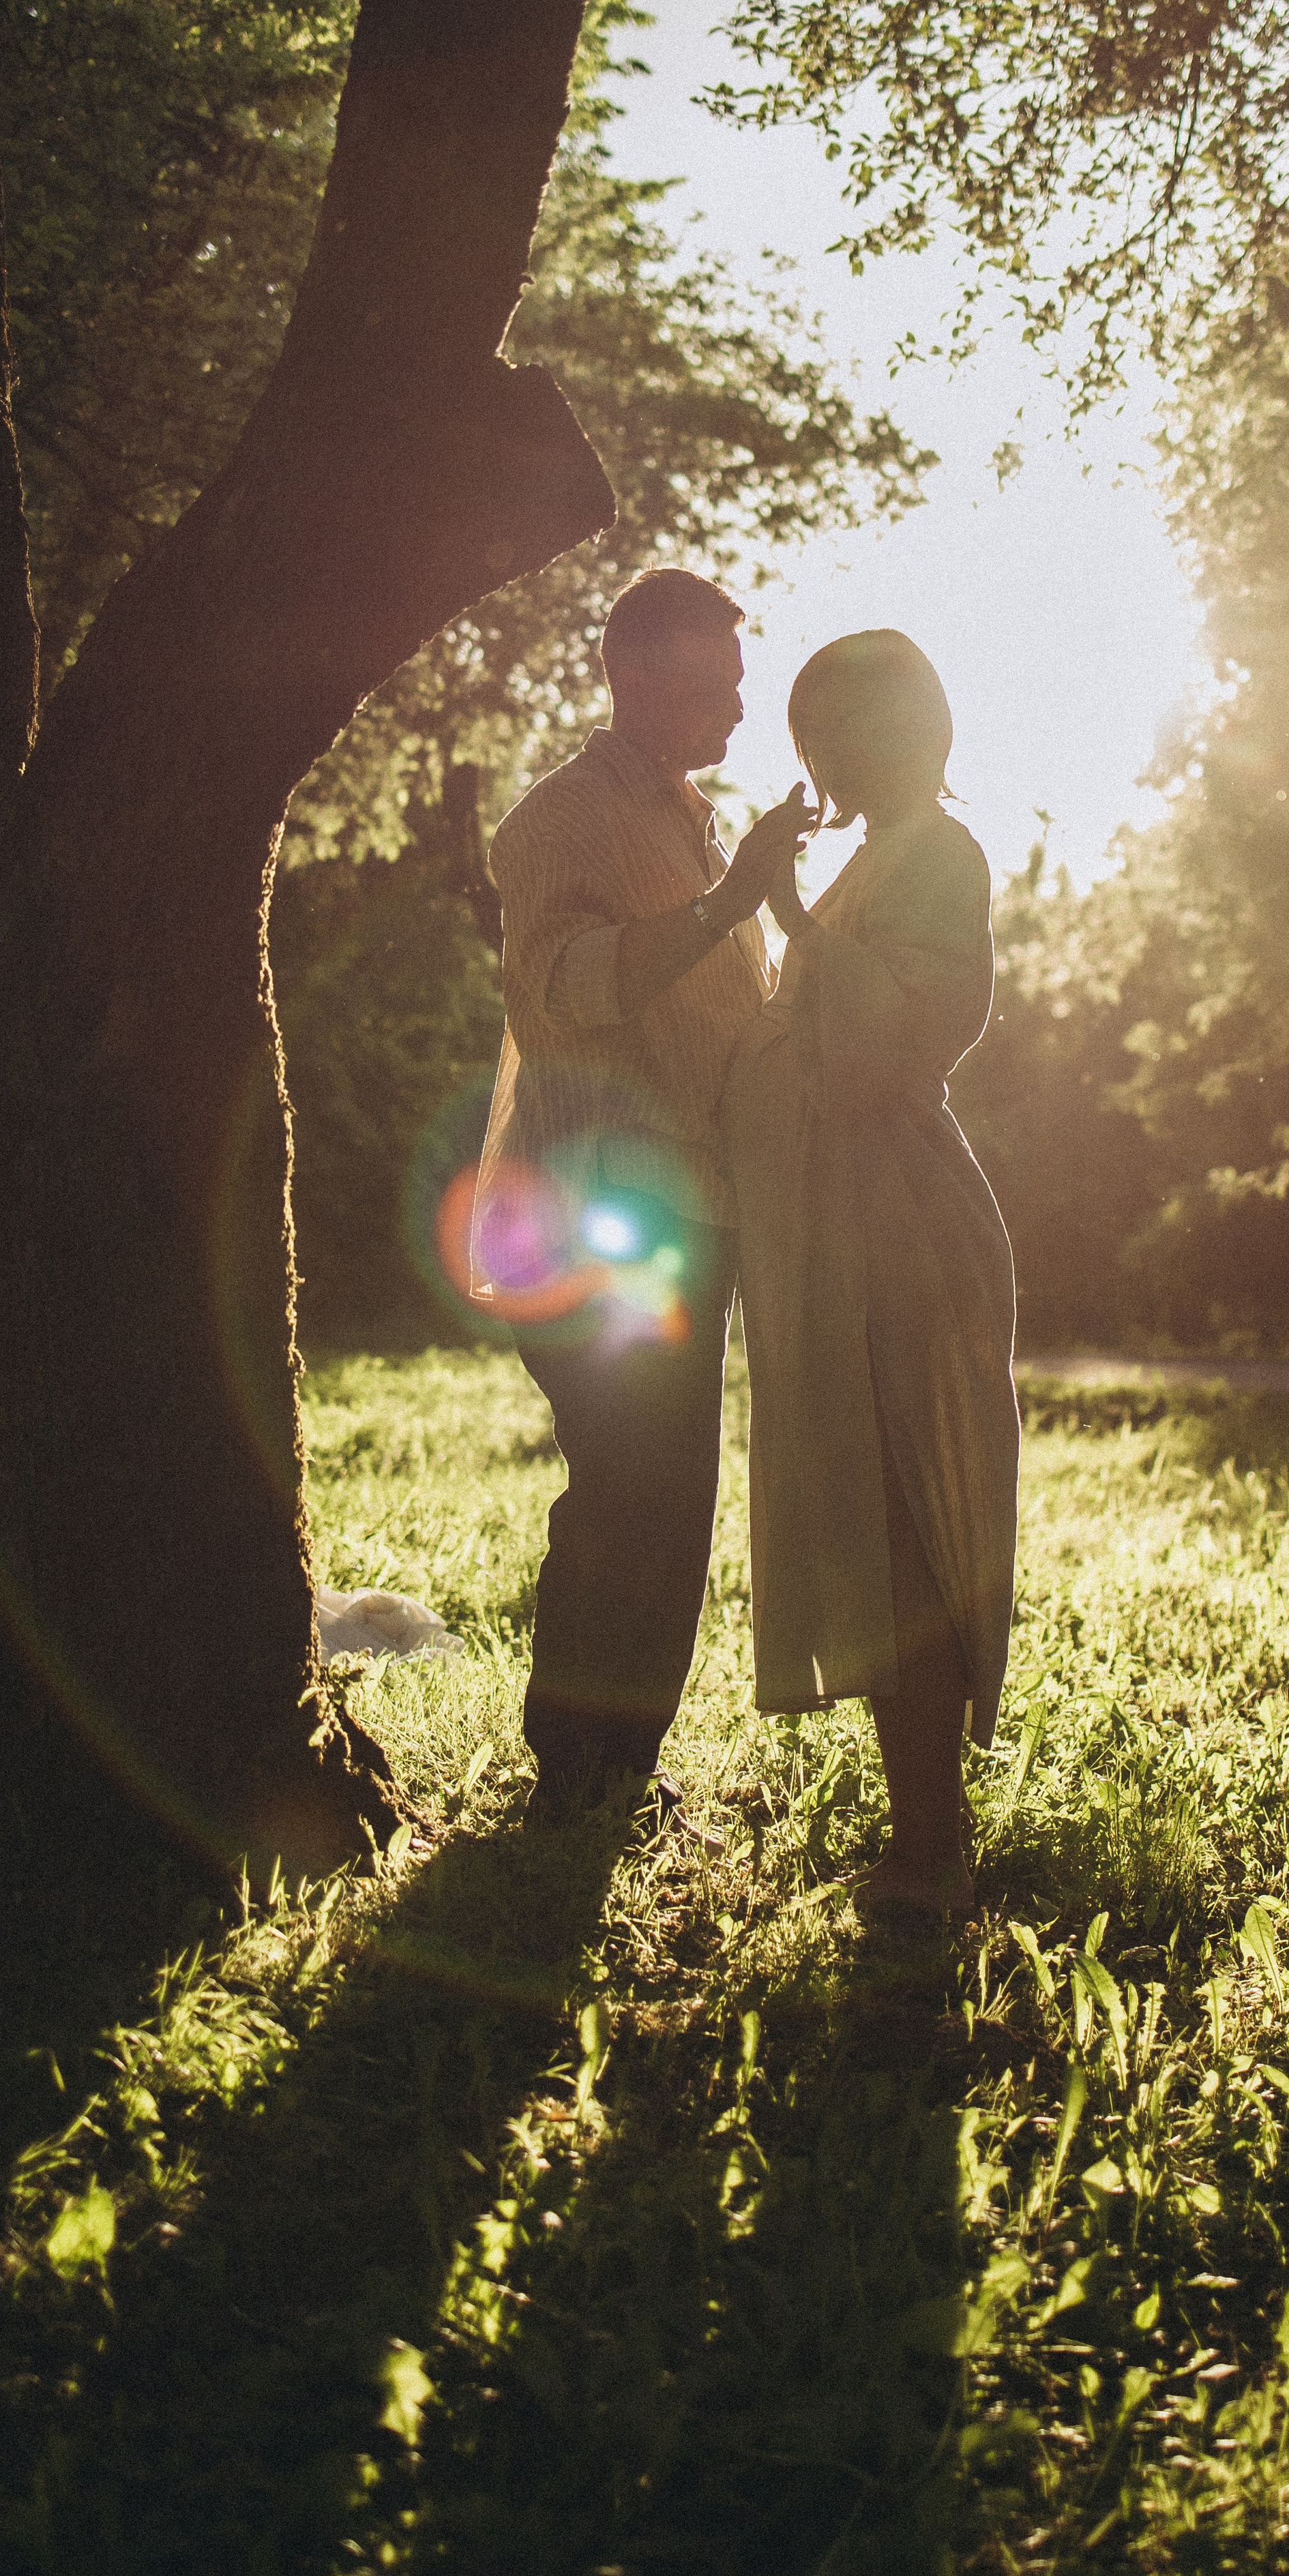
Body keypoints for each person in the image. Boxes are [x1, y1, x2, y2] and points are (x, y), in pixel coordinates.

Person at [475, 569, 810, 1820]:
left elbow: (733, 1011)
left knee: (669, 1497)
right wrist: (729, 900)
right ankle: (575, 1772)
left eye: (737, 683)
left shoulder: (697, 821)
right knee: (629, 1489)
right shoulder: (558, 819)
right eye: (713, 685)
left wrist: (761, 893)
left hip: (690, 1210)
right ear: (632, 677)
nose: (737, 707)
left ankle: (621, 1770)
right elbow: (565, 986)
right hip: (596, 1207)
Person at [722, 631, 1020, 1915]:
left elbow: (898, 1037)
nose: (819, 760)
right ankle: (923, 1833)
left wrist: (787, 919)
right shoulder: (867, 863)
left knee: (905, 1508)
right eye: (810, 736)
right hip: (837, 1225)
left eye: (832, 732)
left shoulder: (941, 856)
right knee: (870, 1504)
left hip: (898, 1219)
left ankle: (932, 1846)